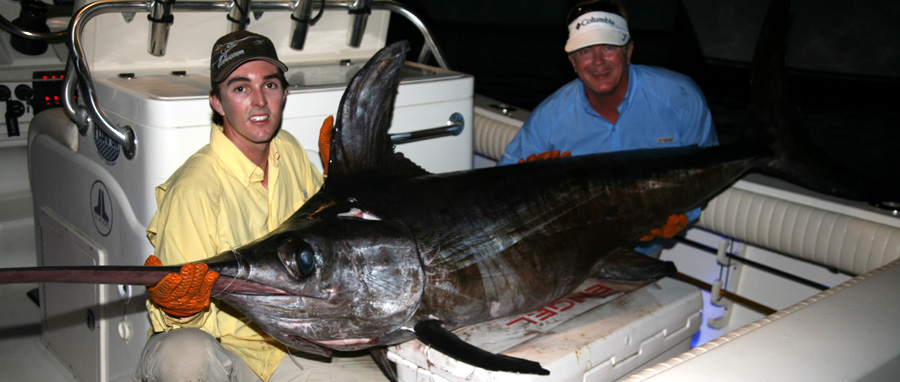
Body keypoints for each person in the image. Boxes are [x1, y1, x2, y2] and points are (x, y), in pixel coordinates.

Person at [134, 31, 382, 381]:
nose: (259, 101)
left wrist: (341, 188)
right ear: (217, 103)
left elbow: (330, 241)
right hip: (226, 354)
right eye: (240, 88)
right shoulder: (194, 189)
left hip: (291, 343)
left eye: (269, 85)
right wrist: (179, 310)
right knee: (184, 352)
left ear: (284, 93)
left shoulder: (290, 152)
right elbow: (183, 323)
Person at [498, 0, 718, 253]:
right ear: (572, 61)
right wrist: (525, 178)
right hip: (574, 249)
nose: (598, 61)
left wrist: (683, 213)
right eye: (585, 51)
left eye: (609, 47)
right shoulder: (550, 117)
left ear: (629, 50)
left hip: (646, 246)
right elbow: (502, 187)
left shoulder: (681, 97)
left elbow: (707, 167)